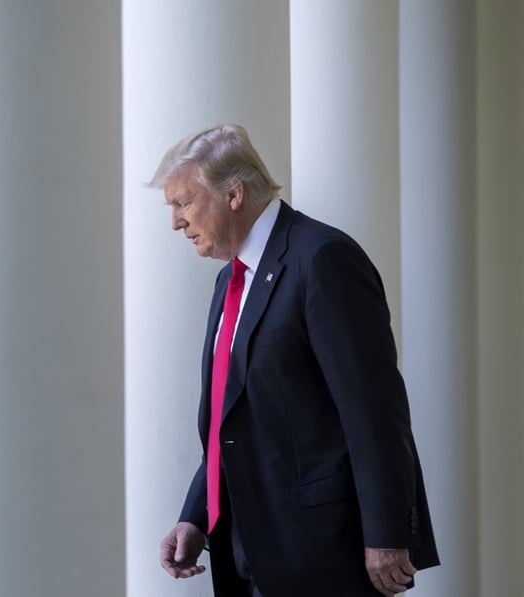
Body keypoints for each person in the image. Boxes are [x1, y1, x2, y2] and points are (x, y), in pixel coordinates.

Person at [153, 124, 439, 596]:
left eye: (183, 202)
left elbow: (373, 411)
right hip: (246, 549)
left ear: (234, 194)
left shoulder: (323, 259)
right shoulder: (229, 282)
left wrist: (388, 534)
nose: (176, 221)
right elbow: (231, 420)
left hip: (321, 553)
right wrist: (196, 516)